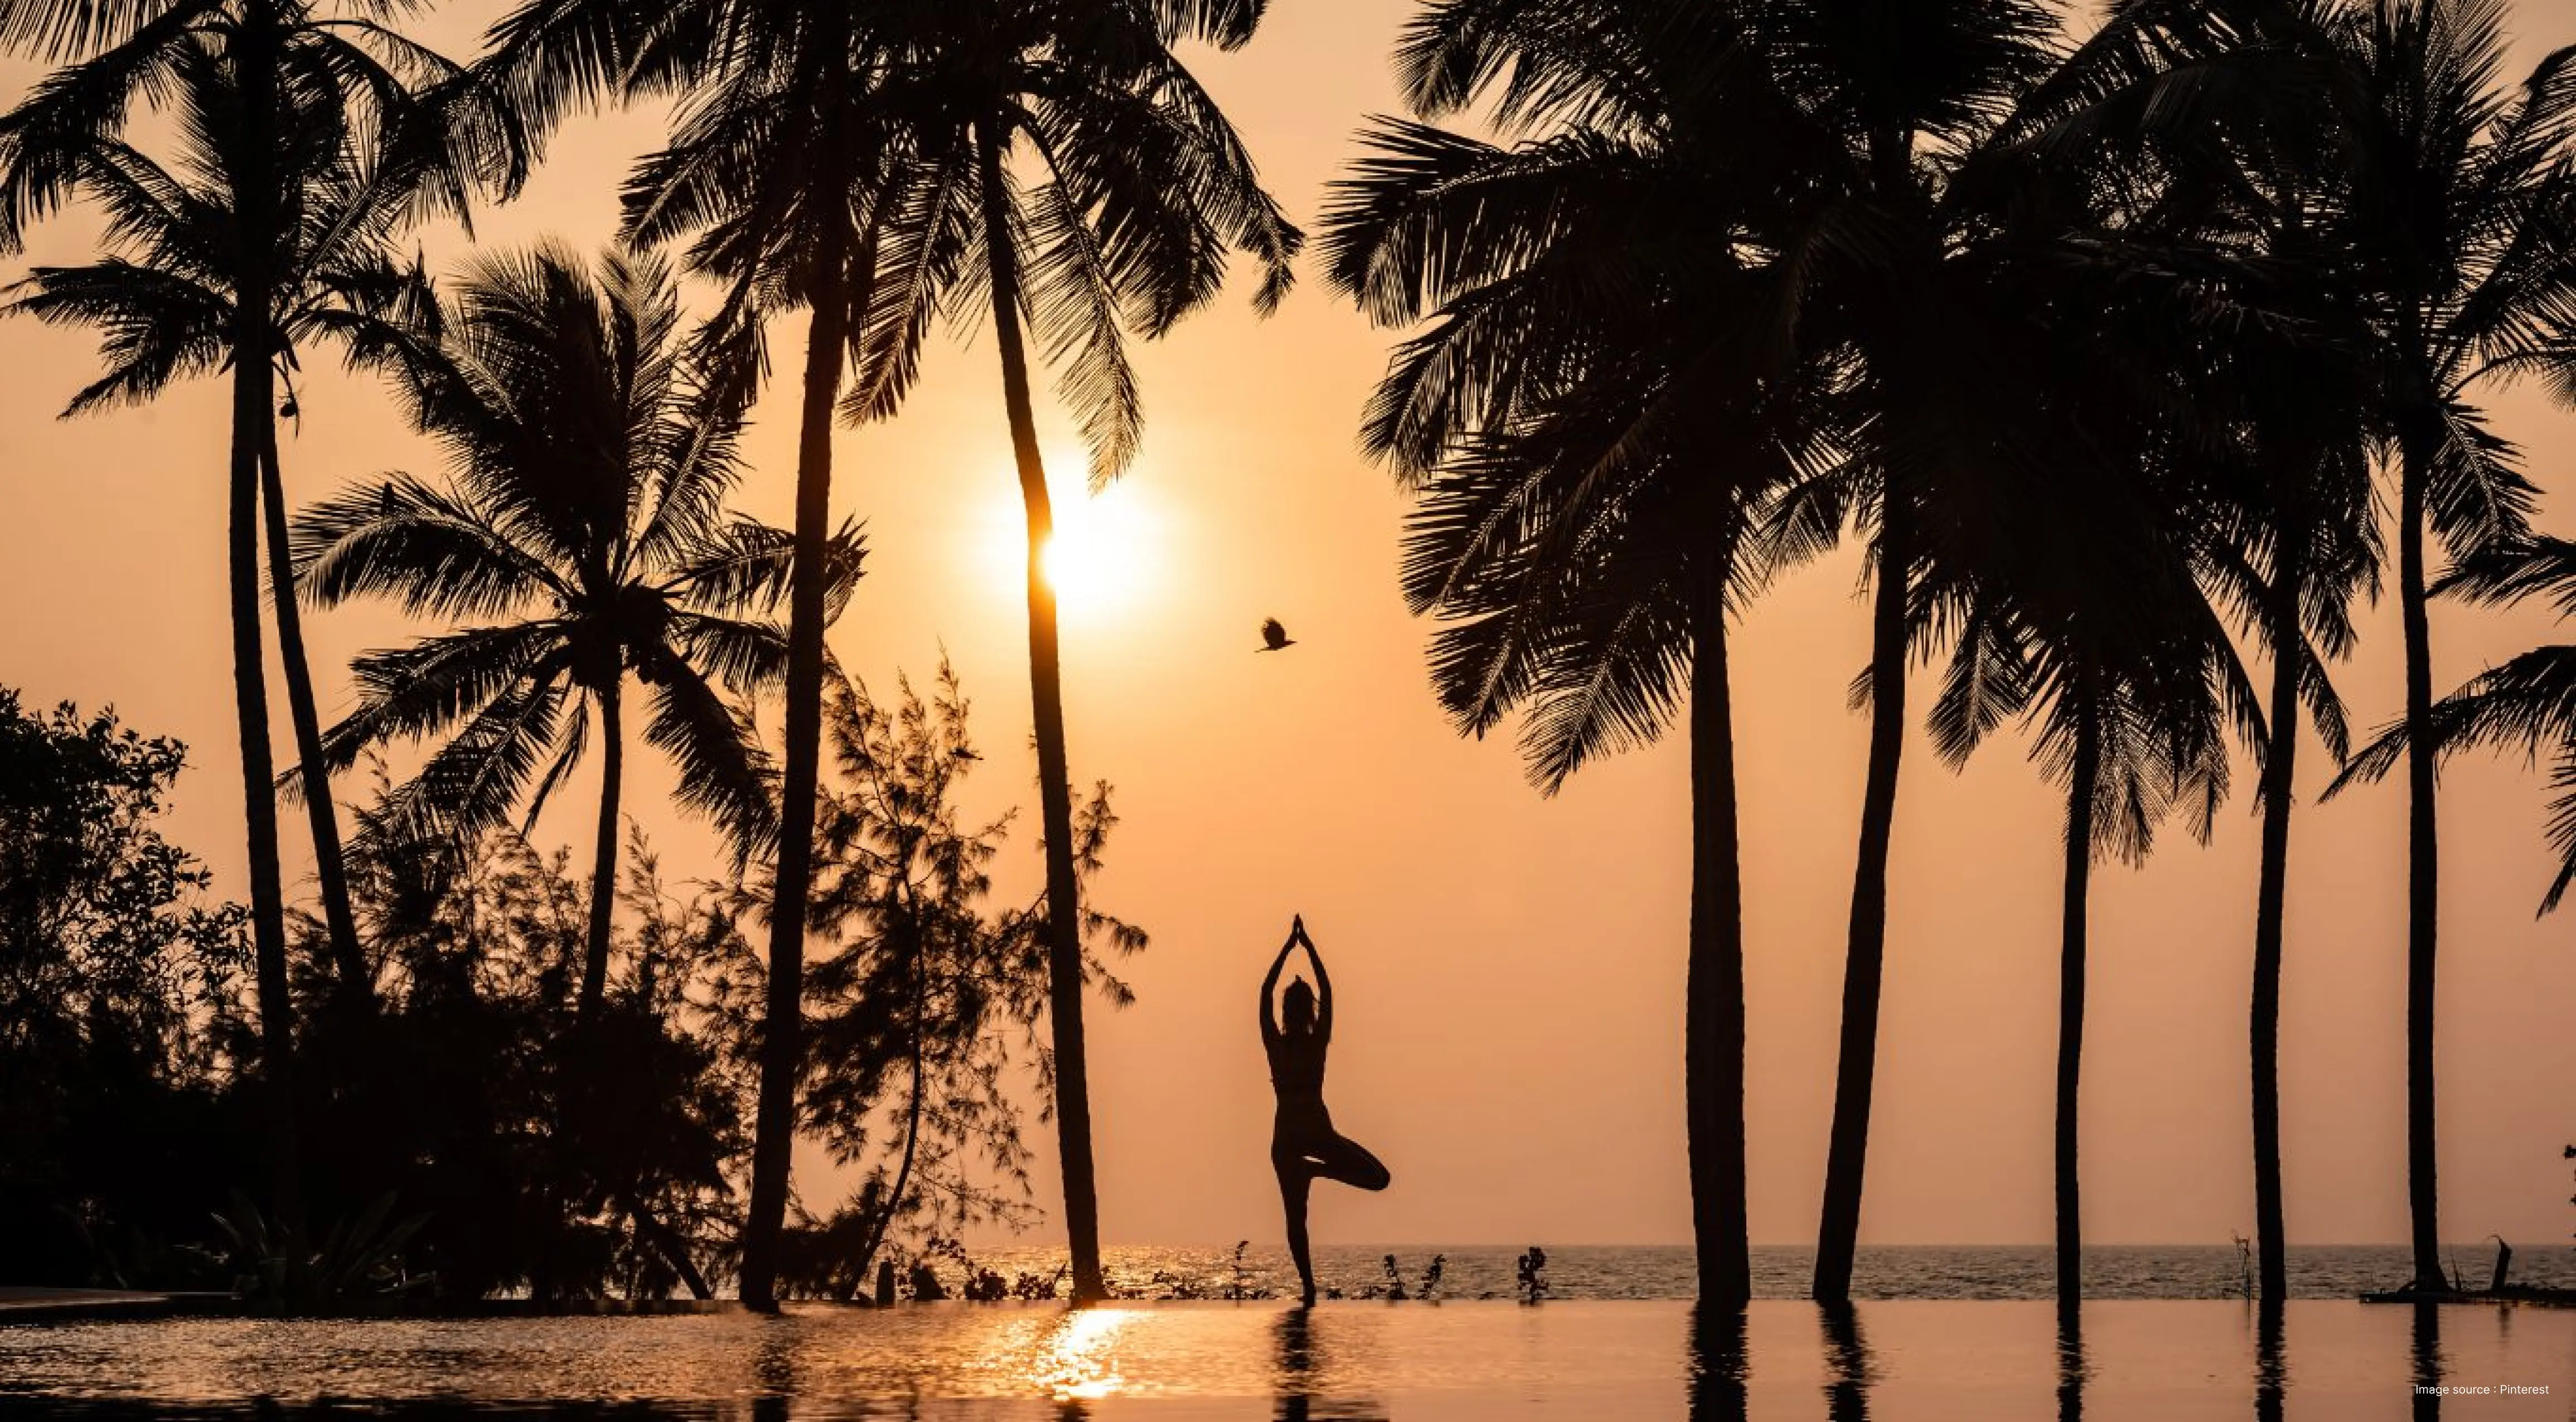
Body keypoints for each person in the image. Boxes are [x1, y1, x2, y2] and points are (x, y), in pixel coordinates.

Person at [1262, 915, 1391, 1306]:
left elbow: (1264, 993)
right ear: (1311, 1010)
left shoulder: (1277, 1046)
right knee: (1379, 1178)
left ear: (1287, 1010)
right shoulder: (1316, 1042)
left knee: (1295, 1219)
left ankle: (1308, 1288)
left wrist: (1288, 948)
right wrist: (1308, 946)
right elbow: (1329, 992)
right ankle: (1317, 1169)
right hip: (1316, 1134)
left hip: (1287, 1138)